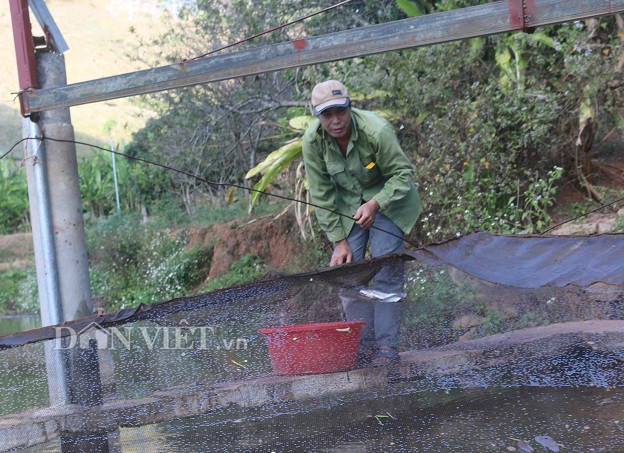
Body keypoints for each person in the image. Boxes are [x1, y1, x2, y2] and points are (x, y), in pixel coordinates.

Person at [302, 80, 421, 366]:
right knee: (348, 274)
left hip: (389, 203)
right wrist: (339, 241)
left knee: (386, 274)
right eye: (326, 115)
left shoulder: (376, 130)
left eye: (339, 112)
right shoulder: (312, 142)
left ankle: (385, 349)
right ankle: (361, 348)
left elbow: (402, 175)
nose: (335, 121)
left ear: (349, 107)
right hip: (347, 207)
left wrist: (374, 204)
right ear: (317, 116)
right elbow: (321, 194)